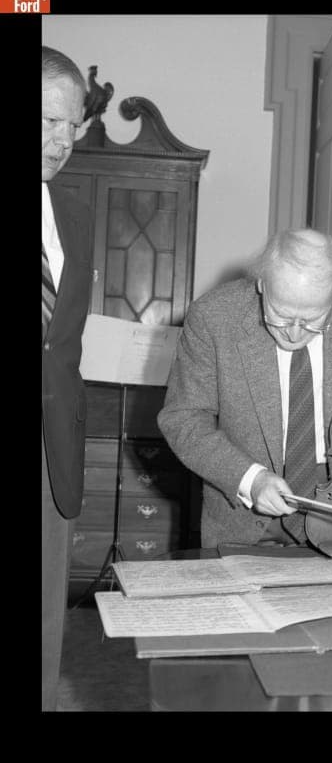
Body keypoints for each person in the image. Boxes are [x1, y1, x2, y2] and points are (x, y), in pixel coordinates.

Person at [158, 229, 332, 549]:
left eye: (312, 319)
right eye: (281, 316)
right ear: (261, 284)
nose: (295, 333)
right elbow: (183, 418)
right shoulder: (214, 317)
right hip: (244, 515)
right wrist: (250, 479)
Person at [42, 46, 92, 711]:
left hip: (53, 445)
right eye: (47, 121)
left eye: (71, 126)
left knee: (46, 609)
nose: (62, 140)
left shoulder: (74, 213)